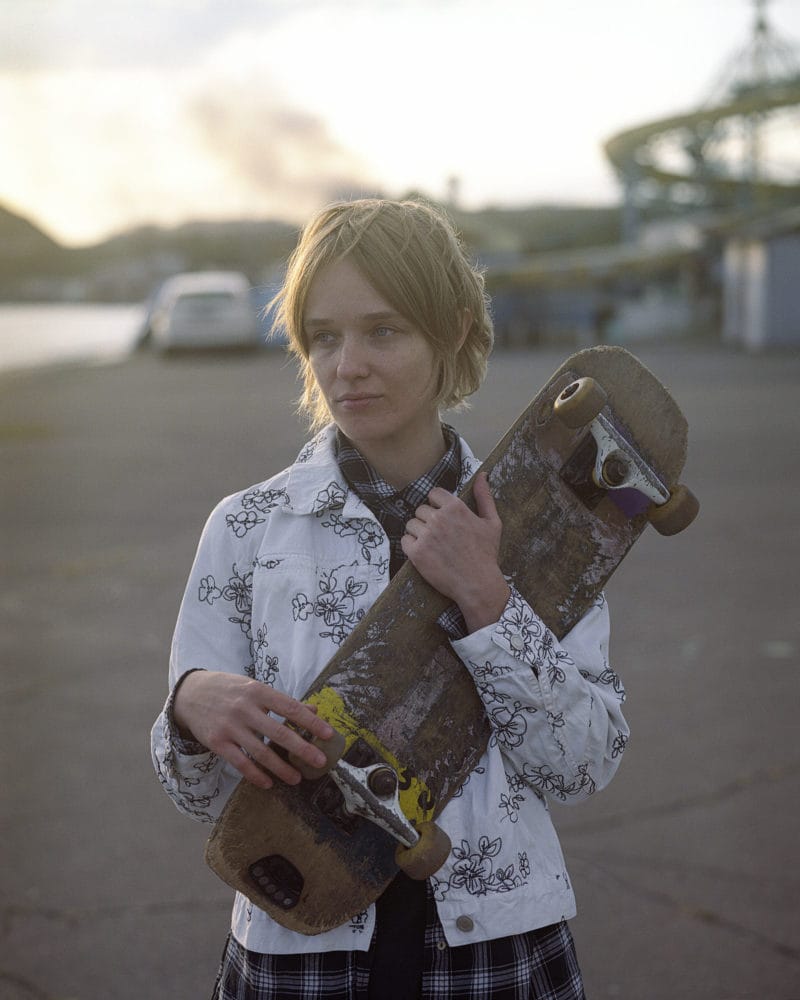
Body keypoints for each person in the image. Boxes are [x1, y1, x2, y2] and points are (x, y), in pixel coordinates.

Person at [151, 198, 629, 999]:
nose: (348, 365)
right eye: (325, 337)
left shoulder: (546, 528)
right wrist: (191, 709)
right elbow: (198, 796)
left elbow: (584, 766)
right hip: (297, 943)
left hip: (496, 951)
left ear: (452, 337)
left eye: (384, 331)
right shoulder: (248, 529)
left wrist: (489, 599)